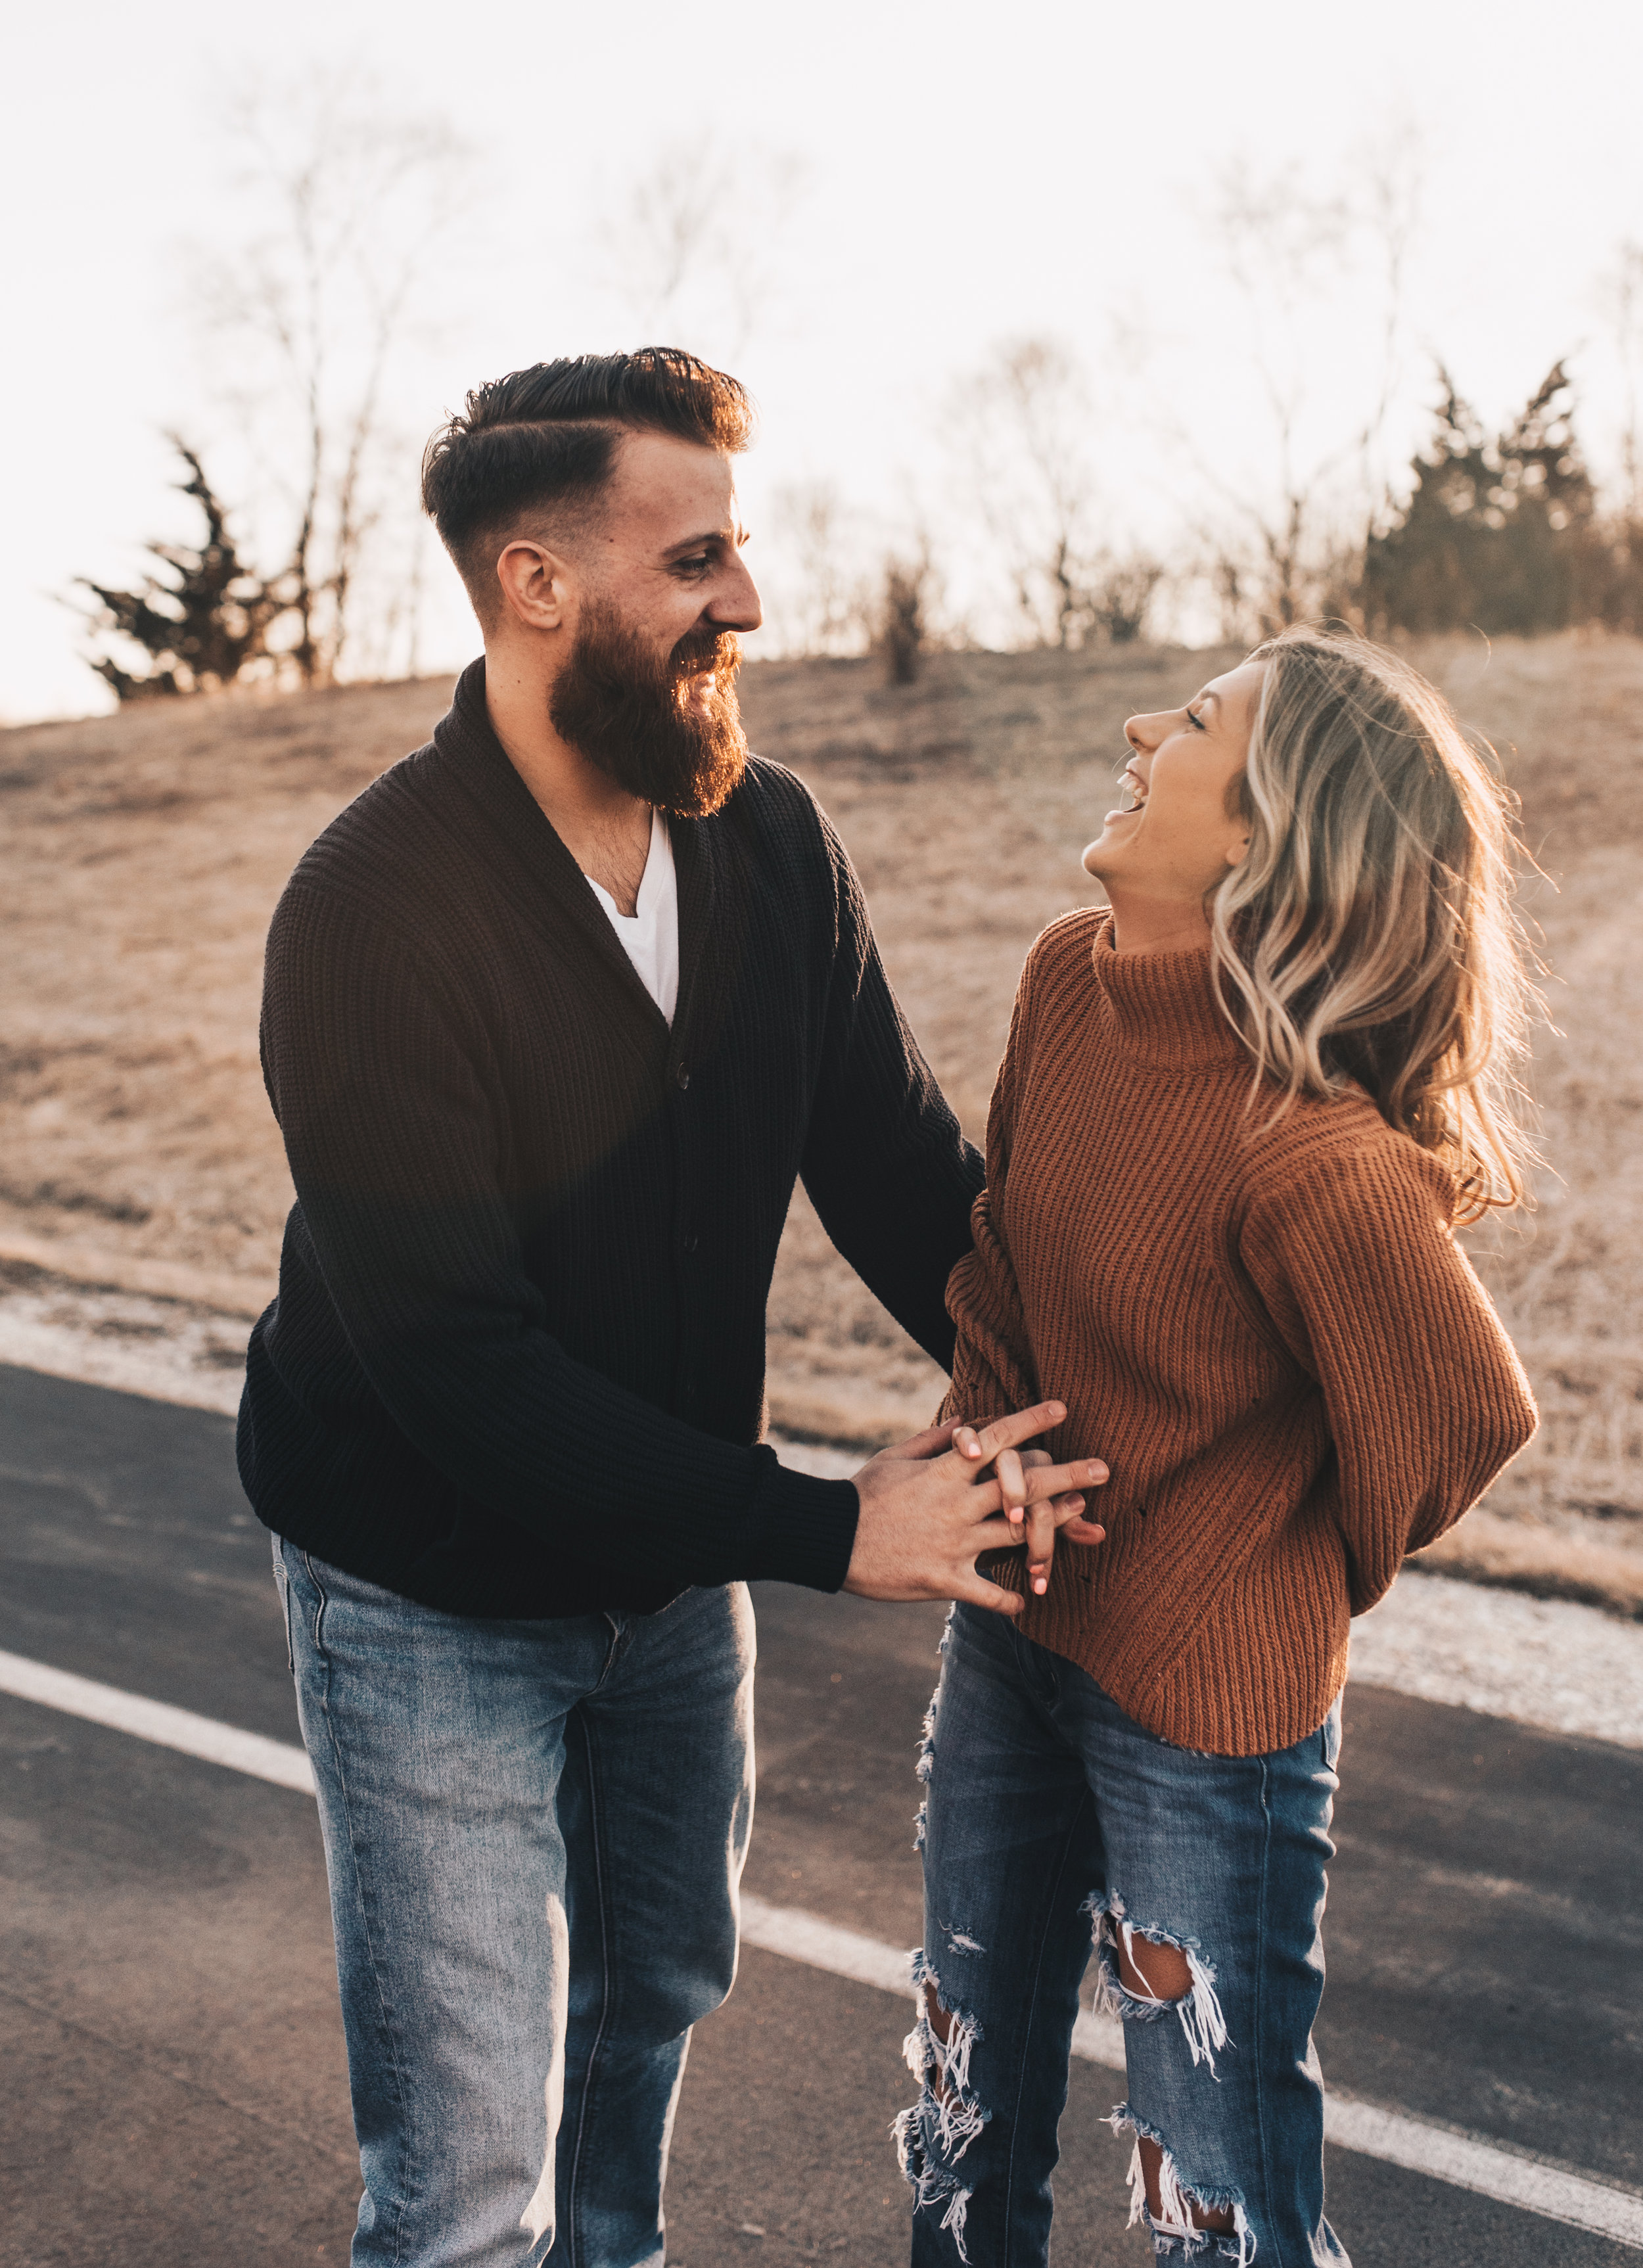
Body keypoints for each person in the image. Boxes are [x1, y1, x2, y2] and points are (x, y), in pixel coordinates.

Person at [239, 346, 1099, 2268]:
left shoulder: (769, 842)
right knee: (466, 2166)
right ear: (537, 583)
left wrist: (1099, 1384)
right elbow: (460, 1374)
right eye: (695, 553)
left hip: (670, 1580)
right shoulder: (373, 909)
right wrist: (825, 1525)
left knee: (646, 2017)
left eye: (742, 545)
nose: (750, 600)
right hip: (425, 1588)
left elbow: (899, 1175)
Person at [898, 629, 1539, 2264]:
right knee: (959, 2122)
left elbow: (1458, 1417)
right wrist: (986, 1455)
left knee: (1213, 2188)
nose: (1135, 726)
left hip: (1208, 1718)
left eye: (1188, 724)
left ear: (1262, 834)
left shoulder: (1316, 1155)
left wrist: (1248, 1563)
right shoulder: (1068, 979)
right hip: (1014, 1637)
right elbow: (997, 1261)